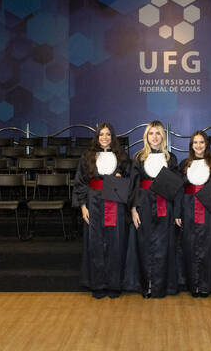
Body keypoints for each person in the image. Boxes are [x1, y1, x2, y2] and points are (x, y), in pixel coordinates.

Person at [72, 123, 131, 299]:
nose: (105, 137)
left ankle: (114, 284)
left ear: (113, 137)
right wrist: (83, 206)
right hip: (94, 202)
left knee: (116, 242)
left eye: (108, 134)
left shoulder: (122, 157)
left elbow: (130, 180)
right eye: (101, 134)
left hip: (115, 202)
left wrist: (121, 178)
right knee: (95, 243)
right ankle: (98, 284)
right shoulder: (87, 156)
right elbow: (81, 182)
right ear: (97, 137)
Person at [124, 121, 179, 298]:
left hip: (165, 205)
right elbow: (133, 186)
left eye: (158, 133)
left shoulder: (171, 159)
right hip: (144, 205)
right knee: (145, 245)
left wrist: (176, 212)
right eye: (151, 133)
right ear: (146, 137)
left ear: (163, 136)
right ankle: (147, 286)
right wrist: (133, 209)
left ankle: (161, 287)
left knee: (164, 246)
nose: (154, 137)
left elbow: (177, 188)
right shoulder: (138, 158)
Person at [175, 131, 211, 297]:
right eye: (195, 142)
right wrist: (177, 212)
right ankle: (193, 285)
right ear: (191, 146)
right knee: (189, 246)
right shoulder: (184, 165)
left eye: (201, 142)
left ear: (206, 145)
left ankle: (205, 285)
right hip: (188, 208)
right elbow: (178, 190)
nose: (198, 146)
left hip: (209, 209)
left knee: (208, 246)